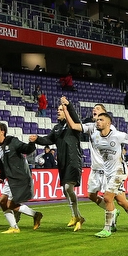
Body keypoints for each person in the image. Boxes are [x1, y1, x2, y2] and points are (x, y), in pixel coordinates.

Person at [31, 97, 86, 231]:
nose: (58, 112)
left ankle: (76, 216)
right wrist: (37, 139)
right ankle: (78, 217)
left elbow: (74, 117)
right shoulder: (57, 128)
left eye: (61, 110)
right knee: (66, 190)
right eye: (58, 110)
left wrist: (69, 104)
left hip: (73, 161)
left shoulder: (74, 126)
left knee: (68, 187)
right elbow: (48, 140)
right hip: (62, 162)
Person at [0, 122, 43, 233]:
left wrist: (32, 142)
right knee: (3, 202)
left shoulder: (12, 141)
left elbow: (26, 149)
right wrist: (1, 176)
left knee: (10, 204)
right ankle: (20, 224)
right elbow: (1, 162)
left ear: (2, 132)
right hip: (9, 178)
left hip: (20, 177)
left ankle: (22, 222)